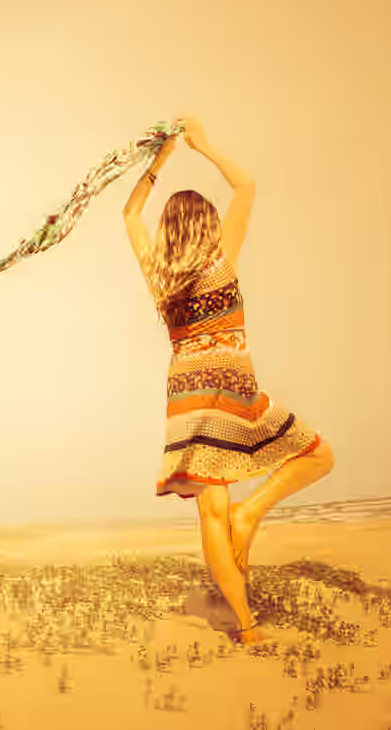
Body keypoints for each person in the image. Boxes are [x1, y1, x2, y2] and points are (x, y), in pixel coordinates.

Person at [121, 113, 335, 644]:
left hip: (188, 400)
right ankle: (254, 512)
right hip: (232, 390)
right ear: (209, 225)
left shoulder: (160, 275)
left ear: (170, 231)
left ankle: (247, 625)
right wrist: (203, 146)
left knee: (212, 515)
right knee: (318, 455)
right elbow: (247, 185)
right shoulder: (224, 261)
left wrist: (160, 161)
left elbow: (130, 215)